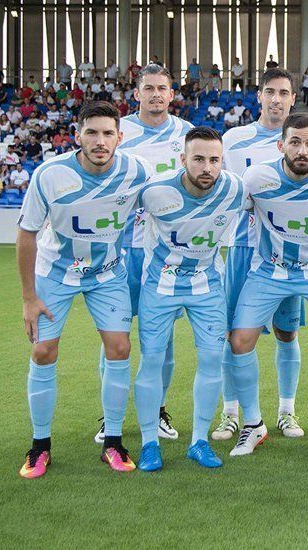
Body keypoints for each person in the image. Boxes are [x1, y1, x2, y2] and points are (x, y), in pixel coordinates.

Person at [15, 101, 151, 479]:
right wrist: (29, 298)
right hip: (55, 273)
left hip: (107, 273)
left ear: (120, 138)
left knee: (120, 348)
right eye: (91, 132)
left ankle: (113, 441)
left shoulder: (137, 172)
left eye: (108, 133)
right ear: (77, 136)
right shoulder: (50, 174)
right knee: (43, 351)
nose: (100, 140)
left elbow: (162, 206)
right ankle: (39, 446)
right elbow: (26, 235)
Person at [217, 68, 308, 447]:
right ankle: (231, 413)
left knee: (287, 331)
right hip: (244, 248)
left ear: (294, 98)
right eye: (269, 92)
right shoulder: (235, 139)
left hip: (294, 252)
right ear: (259, 96)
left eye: (283, 93)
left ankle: (286, 410)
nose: (276, 98)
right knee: (236, 335)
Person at [92, 63, 195, 444]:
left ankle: (158, 409)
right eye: (148, 88)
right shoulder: (117, 132)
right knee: (114, 337)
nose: (155, 94)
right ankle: (109, 415)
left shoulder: (186, 134)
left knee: (161, 340)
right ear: (137, 93)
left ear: (172, 94)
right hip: (119, 248)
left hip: (164, 253)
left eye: (162, 88)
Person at [133, 127, 243, 472]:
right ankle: (150, 442)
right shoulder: (154, 193)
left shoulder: (235, 189)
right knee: (151, 361)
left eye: (214, 160)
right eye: (198, 159)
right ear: (183, 160)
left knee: (212, 357)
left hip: (207, 284)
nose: (207, 167)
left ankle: (199, 441)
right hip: (159, 285)